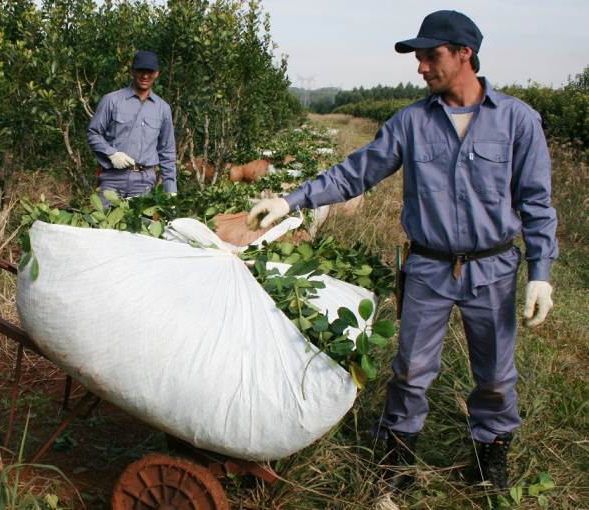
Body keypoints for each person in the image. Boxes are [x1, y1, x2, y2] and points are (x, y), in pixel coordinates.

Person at [248, 10, 557, 493]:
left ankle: (489, 460)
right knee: (411, 369)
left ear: (464, 55)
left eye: (430, 56)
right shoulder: (410, 122)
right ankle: (397, 463)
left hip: (492, 267)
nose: (421, 68)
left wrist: (541, 271)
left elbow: (537, 202)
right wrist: (289, 200)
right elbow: (355, 174)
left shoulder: (517, 120)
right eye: (418, 58)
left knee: (496, 374)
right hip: (429, 266)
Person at [87, 50, 177, 199]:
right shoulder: (111, 100)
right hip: (111, 179)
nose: (145, 76)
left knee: (141, 222)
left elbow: (167, 151)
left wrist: (170, 189)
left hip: (145, 181)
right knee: (102, 222)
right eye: (141, 70)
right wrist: (111, 153)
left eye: (150, 71)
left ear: (156, 74)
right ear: (133, 71)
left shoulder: (163, 108)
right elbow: (93, 133)